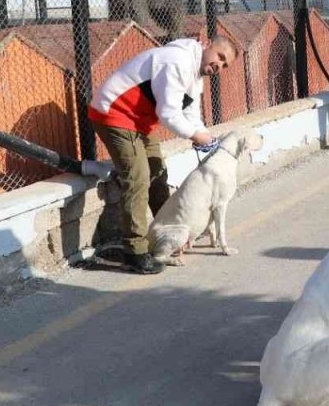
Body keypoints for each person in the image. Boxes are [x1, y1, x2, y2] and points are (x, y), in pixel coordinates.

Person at [88, 36, 239, 274]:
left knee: (158, 172)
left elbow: (191, 113)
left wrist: (205, 136)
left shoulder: (195, 74)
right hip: (114, 113)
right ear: (208, 45)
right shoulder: (177, 62)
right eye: (220, 56)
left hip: (139, 122)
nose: (219, 65)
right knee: (138, 178)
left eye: (225, 65)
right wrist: (195, 136)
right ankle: (135, 252)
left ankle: (170, 234)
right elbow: (168, 113)